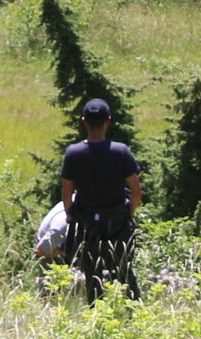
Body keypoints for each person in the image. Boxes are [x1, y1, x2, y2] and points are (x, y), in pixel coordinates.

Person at [60, 98, 142, 302]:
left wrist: (71, 214)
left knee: (92, 273)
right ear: (108, 121)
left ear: (84, 121)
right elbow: (136, 190)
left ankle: (96, 315)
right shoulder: (120, 151)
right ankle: (135, 311)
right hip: (117, 219)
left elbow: (66, 192)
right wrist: (128, 212)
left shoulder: (73, 153)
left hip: (87, 220)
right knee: (124, 269)